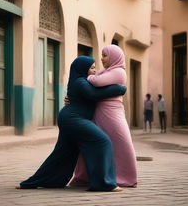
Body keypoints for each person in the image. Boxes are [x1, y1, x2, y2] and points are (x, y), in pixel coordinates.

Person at [16, 56, 126, 192]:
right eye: (91, 68)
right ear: (82, 68)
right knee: (102, 141)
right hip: (73, 120)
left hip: (70, 119)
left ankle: (35, 182)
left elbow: (94, 91)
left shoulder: (82, 81)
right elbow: (94, 95)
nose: (94, 70)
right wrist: (120, 89)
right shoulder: (80, 82)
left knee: (62, 153)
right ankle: (104, 183)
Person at [70, 45, 137, 188]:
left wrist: (85, 76)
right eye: (102, 55)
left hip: (112, 113)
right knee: (92, 143)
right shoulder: (105, 71)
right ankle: (85, 176)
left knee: (122, 142)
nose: (102, 58)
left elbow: (96, 82)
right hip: (97, 111)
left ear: (114, 57)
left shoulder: (119, 72)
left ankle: (125, 177)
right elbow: (89, 87)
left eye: (105, 55)